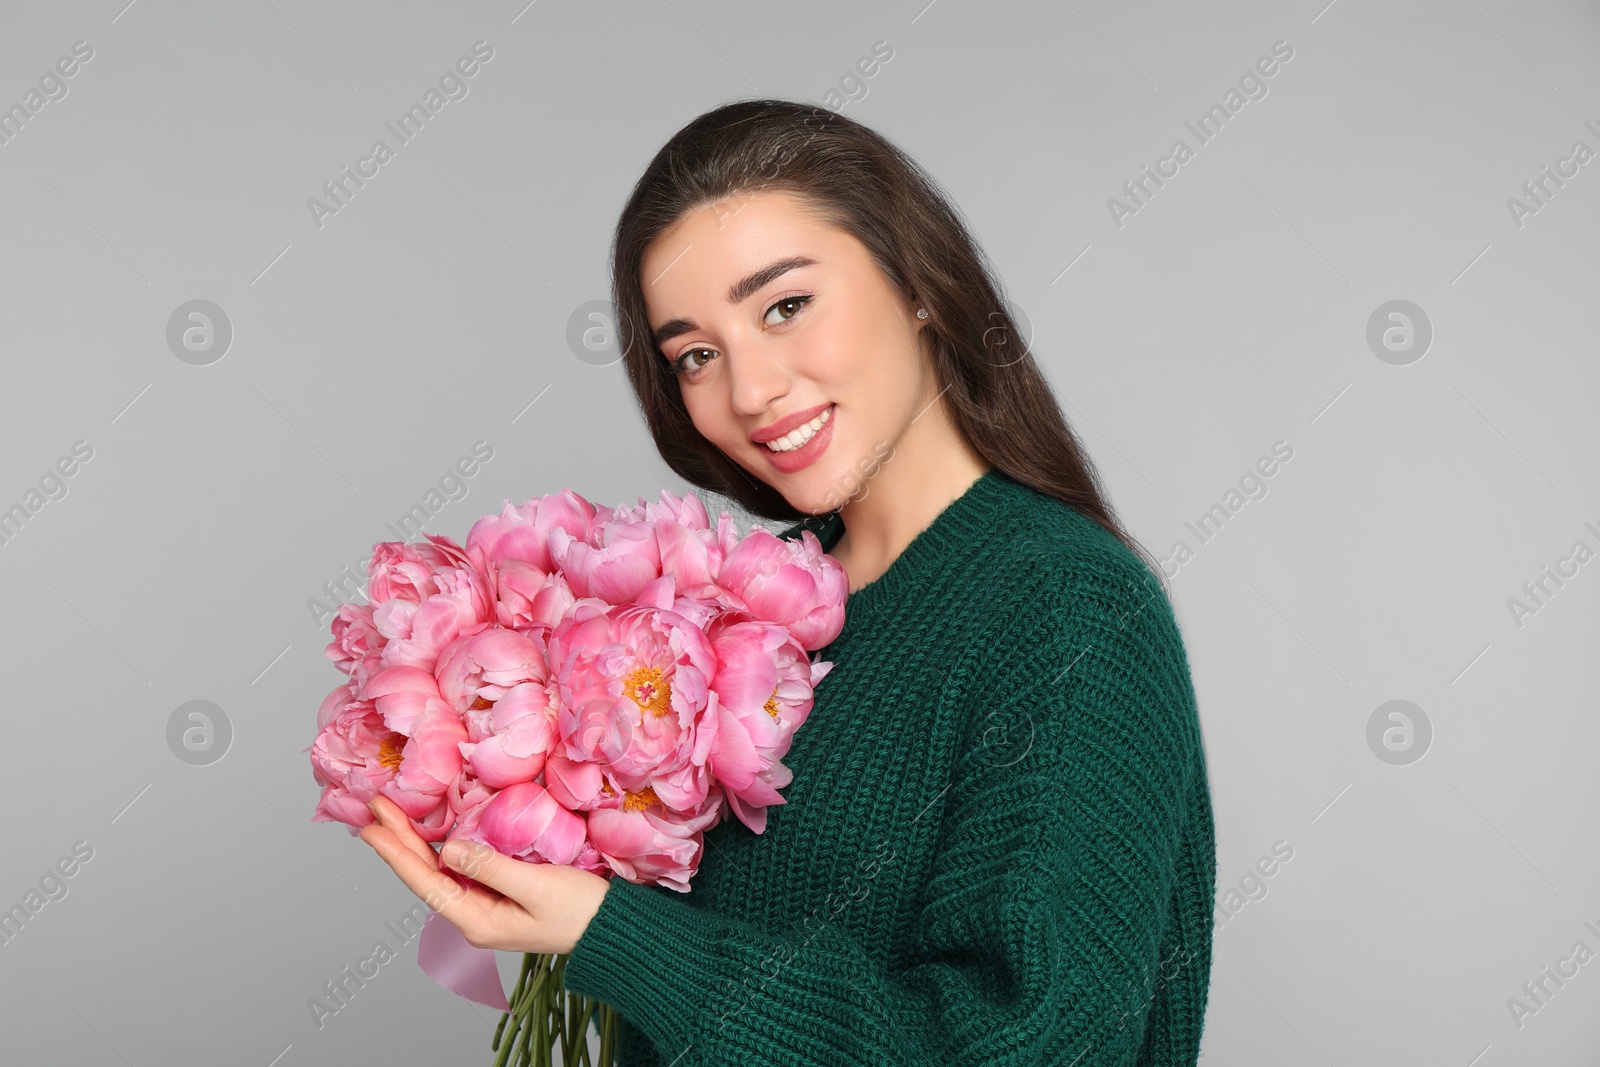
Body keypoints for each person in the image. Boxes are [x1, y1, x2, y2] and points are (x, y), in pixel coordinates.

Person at [360, 98, 1216, 1065]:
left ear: (920, 284)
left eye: (785, 306)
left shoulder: (1068, 611)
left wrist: (619, 938)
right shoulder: (733, 606)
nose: (750, 390)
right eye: (695, 355)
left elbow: (1036, 1049)